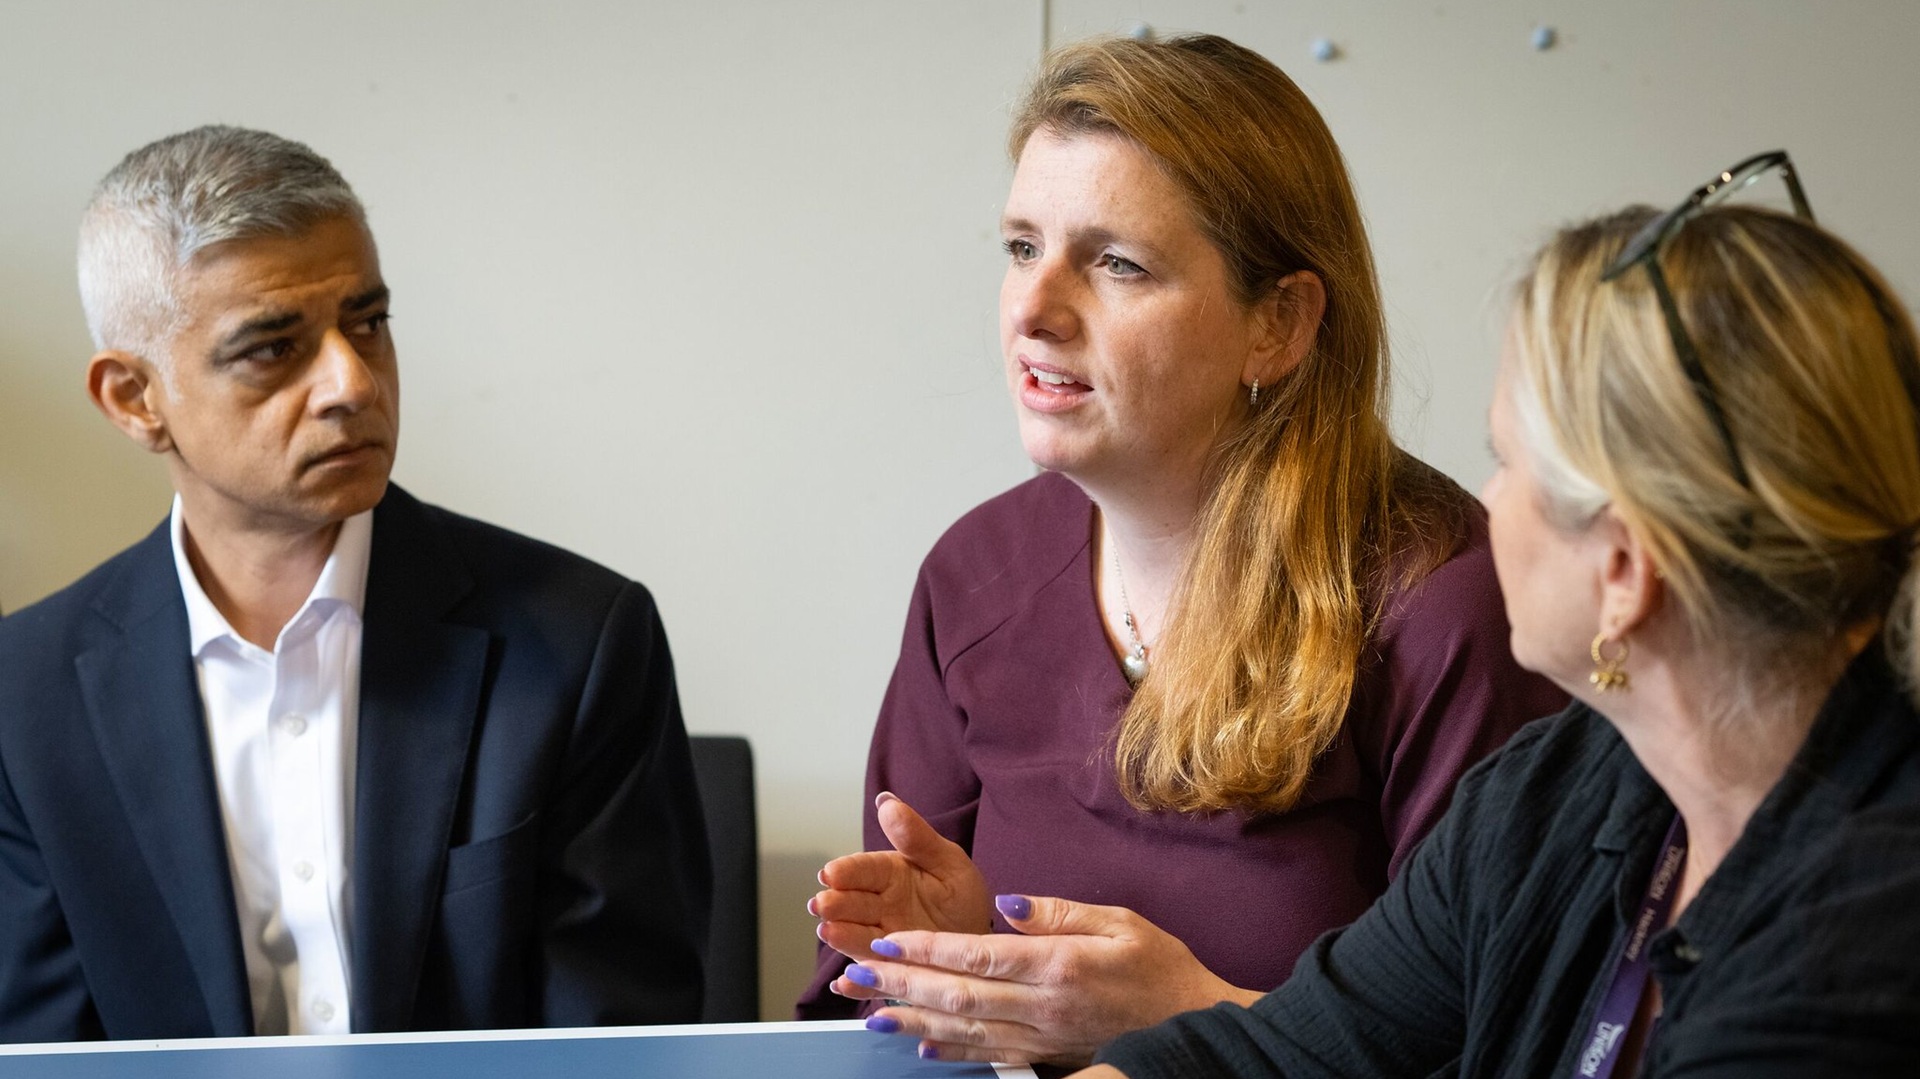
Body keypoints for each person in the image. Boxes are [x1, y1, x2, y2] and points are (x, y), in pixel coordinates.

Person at [799, 34, 1565, 1065]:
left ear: (1278, 325)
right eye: (1022, 246)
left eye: (1117, 263)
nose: (1034, 309)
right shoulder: (973, 570)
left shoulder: (1442, 597)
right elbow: (871, 1024)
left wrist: (1193, 1015)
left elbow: (1522, 1040)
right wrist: (968, 949)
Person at [1078, 156, 1920, 1078]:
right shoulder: (1559, 788)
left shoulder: (1863, 942)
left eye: (1508, 462)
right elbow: (1275, 1057)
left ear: (1625, 572)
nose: (1488, 501)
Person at [0, 126, 710, 1041]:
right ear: (136, 401)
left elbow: (622, 1043)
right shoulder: (24, 696)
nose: (351, 381)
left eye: (366, 322)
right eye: (272, 348)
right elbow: (40, 1055)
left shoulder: (580, 642)